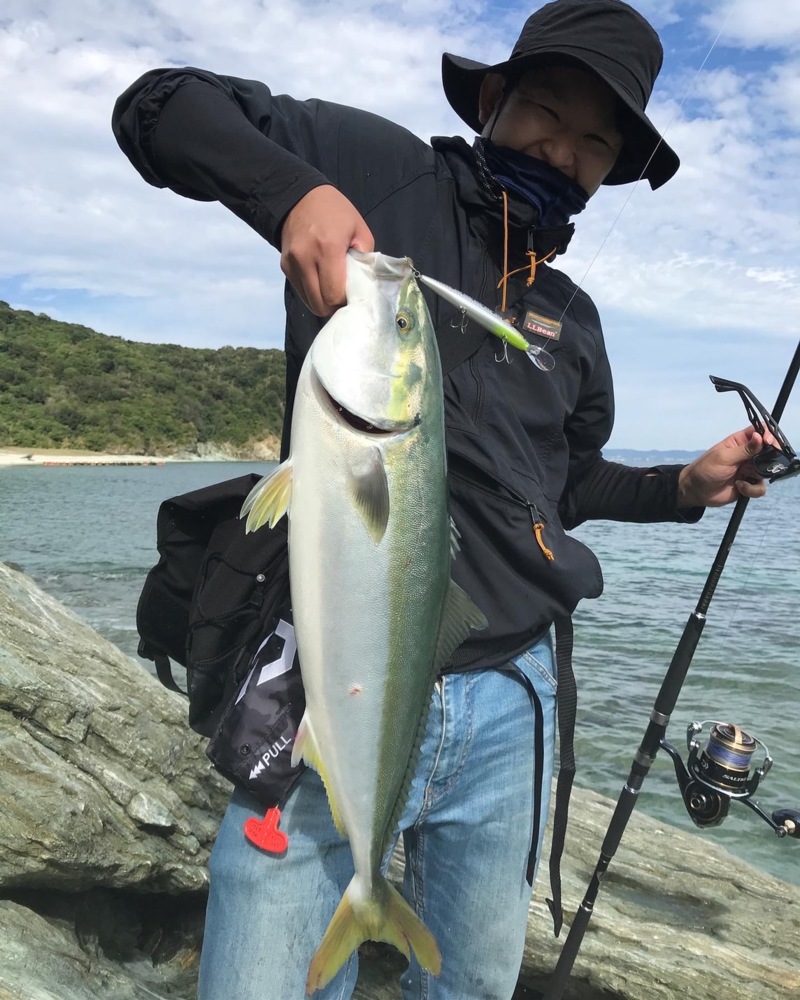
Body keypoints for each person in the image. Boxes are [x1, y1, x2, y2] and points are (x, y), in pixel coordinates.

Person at [112, 1, 772, 998]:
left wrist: (682, 487)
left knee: (469, 983)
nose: (565, 150)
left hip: (512, 700)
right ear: (494, 98)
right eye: (548, 111)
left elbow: (567, 485)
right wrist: (293, 194)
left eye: (596, 141)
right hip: (326, 675)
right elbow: (158, 106)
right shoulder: (383, 174)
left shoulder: (573, 318)